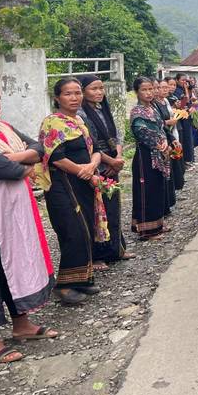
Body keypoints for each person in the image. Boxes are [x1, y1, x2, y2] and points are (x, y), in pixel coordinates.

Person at [0, 75, 58, 363]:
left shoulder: (2, 128)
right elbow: (4, 169)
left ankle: (21, 323)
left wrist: (11, 158)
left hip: (9, 213)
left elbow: (38, 148)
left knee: (13, 261)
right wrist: (20, 163)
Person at [35, 78, 107, 305]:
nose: (74, 98)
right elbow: (55, 158)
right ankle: (64, 285)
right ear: (57, 98)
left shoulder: (79, 121)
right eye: (68, 94)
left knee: (86, 228)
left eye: (77, 93)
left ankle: (82, 279)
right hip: (63, 185)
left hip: (83, 183)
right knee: (72, 231)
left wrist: (91, 166)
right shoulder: (52, 124)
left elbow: (95, 149)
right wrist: (82, 170)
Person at [77, 75, 134, 270]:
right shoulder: (80, 114)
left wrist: (117, 157)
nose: (99, 92)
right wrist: (109, 161)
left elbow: (117, 135)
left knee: (113, 208)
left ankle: (116, 248)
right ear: (83, 91)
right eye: (94, 89)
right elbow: (89, 144)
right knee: (97, 210)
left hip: (111, 162)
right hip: (96, 164)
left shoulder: (103, 109)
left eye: (101, 88)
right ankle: (98, 255)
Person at [130, 77, 170, 241]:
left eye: (150, 89)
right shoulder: (137, 111)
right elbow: (141, 131)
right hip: (145, 156)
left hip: (159, 152)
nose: (149, 93)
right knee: (147, 191)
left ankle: (158, 223)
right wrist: (159, 144)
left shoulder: (153, 107)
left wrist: (166, 143)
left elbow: (161, 128)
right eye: (144, 90)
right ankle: (148, 230)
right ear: (137, 92)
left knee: (158, 189)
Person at [153, 79, 181, 214]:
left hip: (166, 139)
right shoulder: (142, 109)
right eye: (156, 88)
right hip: (154, 148)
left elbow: (161, 126)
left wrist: (170, 139)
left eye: (159, 87)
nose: (157, 91)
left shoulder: (159, 104)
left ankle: (167, 205)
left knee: (167, 175)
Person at [174, 74, 195, 168]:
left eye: (185, 80)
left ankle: (188, 160)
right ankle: (183, 162)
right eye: (182, 80)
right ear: (177, 80)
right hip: (179, 120)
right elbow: (183, 103)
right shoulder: (177, 91)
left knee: (188, 139)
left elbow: (189, 101)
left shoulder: (183, 88)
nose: (184, 82)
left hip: (186, 117)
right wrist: (186, 90)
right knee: (182, 140)